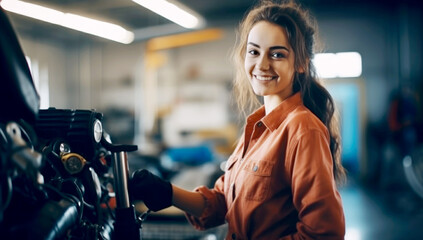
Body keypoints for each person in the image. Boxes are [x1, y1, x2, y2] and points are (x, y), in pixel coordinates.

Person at [129, 0, 346, 239]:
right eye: (254, 52)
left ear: (302, 63)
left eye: (277, 54)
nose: (262, 64)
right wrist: (167, 193)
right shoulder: (256, 128)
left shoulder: (303, 129)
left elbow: (325, 233)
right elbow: (223, 202)